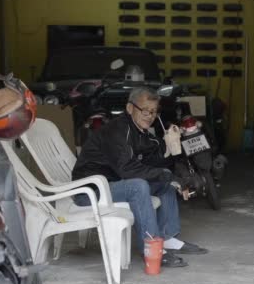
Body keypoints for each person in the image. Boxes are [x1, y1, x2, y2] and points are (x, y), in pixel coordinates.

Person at [72, 87, 207, 268]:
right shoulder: (117, 130)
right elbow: (127, 169)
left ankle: (167, 238)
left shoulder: (141, 132)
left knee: (165, 181)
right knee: (139, 185)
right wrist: (166, 175)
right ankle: (150, 247)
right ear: (130, 108)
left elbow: (156, 163)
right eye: (145, 110)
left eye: (153, 111)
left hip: (114, 185)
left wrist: (170, 149)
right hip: (91, 191)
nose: (149, 115)